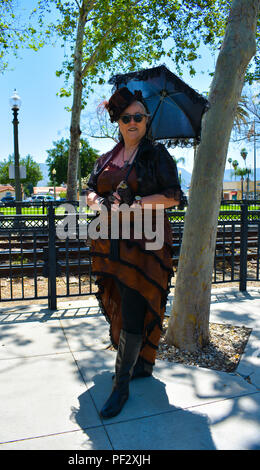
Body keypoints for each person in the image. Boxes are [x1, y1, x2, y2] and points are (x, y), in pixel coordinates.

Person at [86, 86, 186, 419]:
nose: (132, 122)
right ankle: (141, 362)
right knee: (125, 299)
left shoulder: (156, 155)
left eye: (138, 117)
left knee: (133, 303)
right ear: (118, 121)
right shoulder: (107, 158)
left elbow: (173, 196)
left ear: (146, 121)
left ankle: (122, 386)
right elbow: (89, 190)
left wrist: (137, 202)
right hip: (111, 243)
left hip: (145, 246)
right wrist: (100, 202)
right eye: (127, 117)